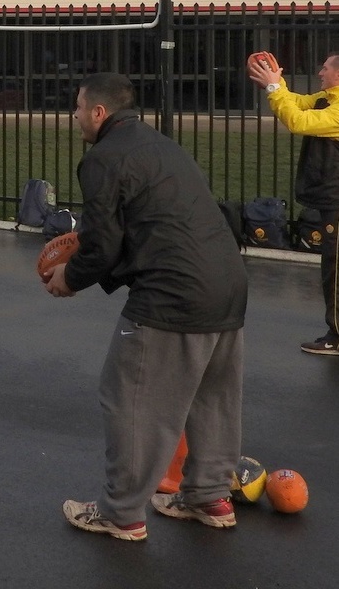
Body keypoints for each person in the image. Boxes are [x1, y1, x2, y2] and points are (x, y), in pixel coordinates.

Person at [44, 73, 247, 542]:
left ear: (99, 112)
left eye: (78, 108)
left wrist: (68, 278)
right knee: (212, 398)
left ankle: (120, 513)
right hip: (228, 284)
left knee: (131, 400)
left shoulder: (103, 158)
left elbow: (101, 244)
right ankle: (208, 497)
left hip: (172, 292)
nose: (74, 116)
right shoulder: (162, 145)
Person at [248, 51, 339, 355]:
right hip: (331, 200)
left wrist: (274, 88)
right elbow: (297, 103)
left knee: (335, 271)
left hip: (336, 202)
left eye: (325, 68)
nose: (320, 72)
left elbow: (298, 121)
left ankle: (336, 336)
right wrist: (277, 81)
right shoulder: (327, 99)